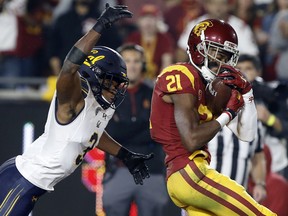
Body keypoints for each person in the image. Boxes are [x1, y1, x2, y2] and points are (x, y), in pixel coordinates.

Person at [0, 4, 153, 216]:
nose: (117, 88)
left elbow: (92, 133)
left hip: (31, 185)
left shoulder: (99, 104)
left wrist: (124, 155)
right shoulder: (73, 99)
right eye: (112, 81)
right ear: (95, 76)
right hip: (21, 183)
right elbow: (69, 66)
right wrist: (100, 26)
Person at [149, 18, 276, 215]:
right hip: (191, 173)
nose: (221, 61)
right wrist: (228, 113)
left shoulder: (211, 88)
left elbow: (247, 134)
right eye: (216, 52)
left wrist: (248, 93)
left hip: (185, 177)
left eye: (226, 56)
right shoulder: (181, 74)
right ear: (198, 49)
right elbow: (191, 140)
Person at [102, 43, 168, 216]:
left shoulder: (156, 94)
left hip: (151, 170)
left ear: (143, 65)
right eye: (126, 60)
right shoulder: (107, 95)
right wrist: (143, 124)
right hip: (118, 169)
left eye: (136, 61)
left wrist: (126, 130)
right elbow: (112, 133)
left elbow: (158, 132)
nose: (131, 65)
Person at [236, 54, 288, 180]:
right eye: (239, 69)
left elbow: (284, 129)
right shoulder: (227, 95)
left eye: (248, 68)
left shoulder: (270, 94)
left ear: (258, 71)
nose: (243, 73)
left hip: (274, 164)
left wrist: (268, 118)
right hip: (241, 162)